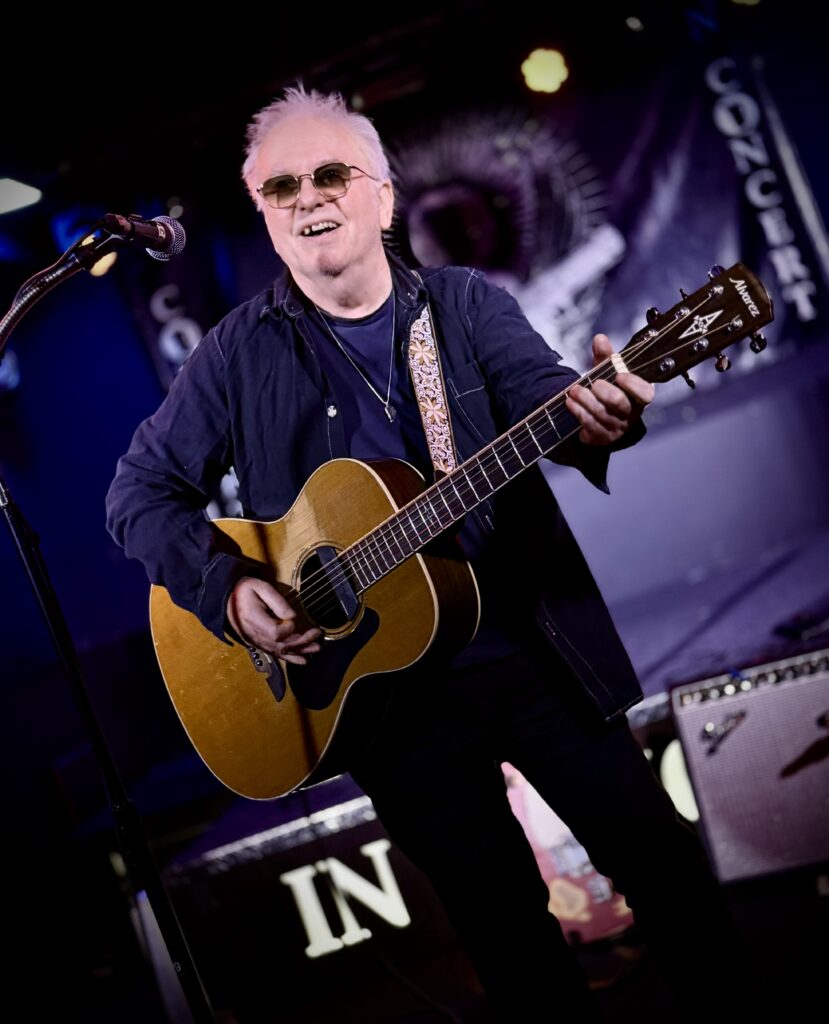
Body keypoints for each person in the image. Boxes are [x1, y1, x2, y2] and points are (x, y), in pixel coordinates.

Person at [106, 87, 750, 1021]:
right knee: (510, 949)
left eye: (329, 173)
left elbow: (554, 406)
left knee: (668, 877)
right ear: (263, 214)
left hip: (534, 655)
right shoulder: (235, 355)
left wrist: (600, 419)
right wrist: (231, 588)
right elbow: (136, 494)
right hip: (383, 707)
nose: (306, 197)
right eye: (280, 186)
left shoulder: (461, 305)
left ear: (381, 196)